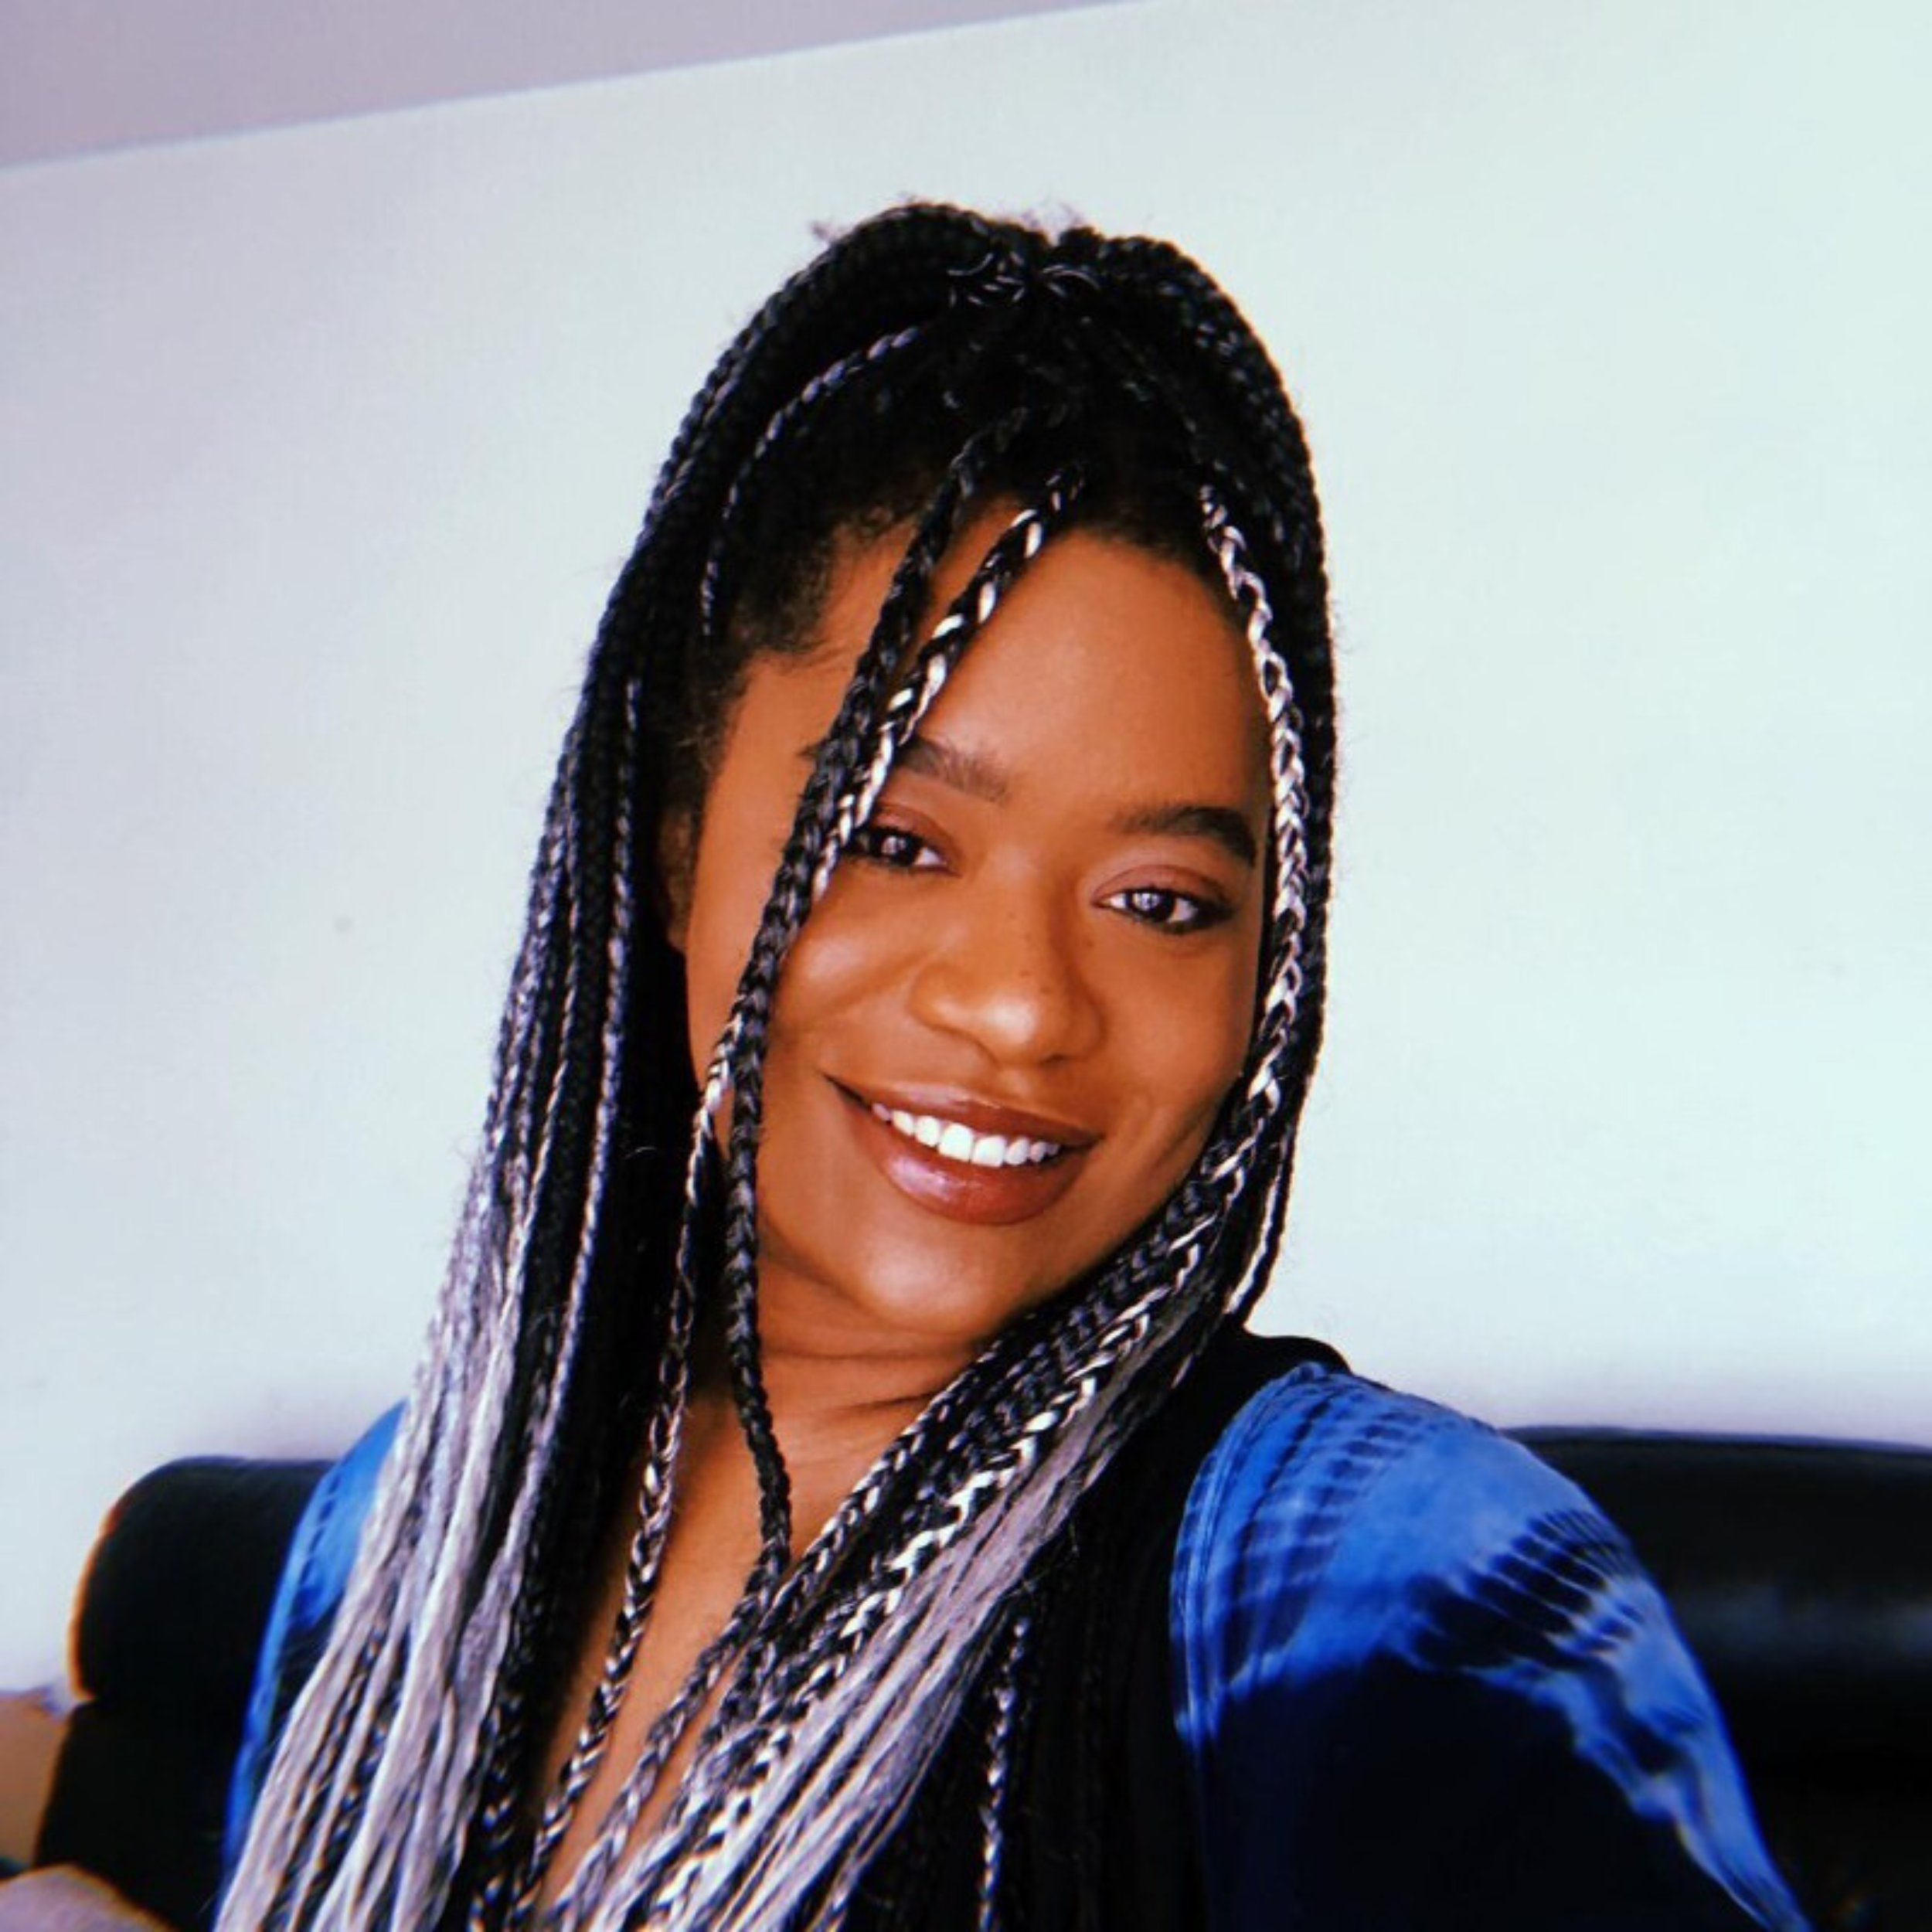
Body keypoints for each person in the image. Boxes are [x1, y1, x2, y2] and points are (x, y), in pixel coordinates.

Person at [80, 204, 1808, 1929]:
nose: (1021, 1006)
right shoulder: (402, 1520)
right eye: (895, 838)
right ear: (679, 843)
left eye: (1161, 897)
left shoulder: (1383, 1588)